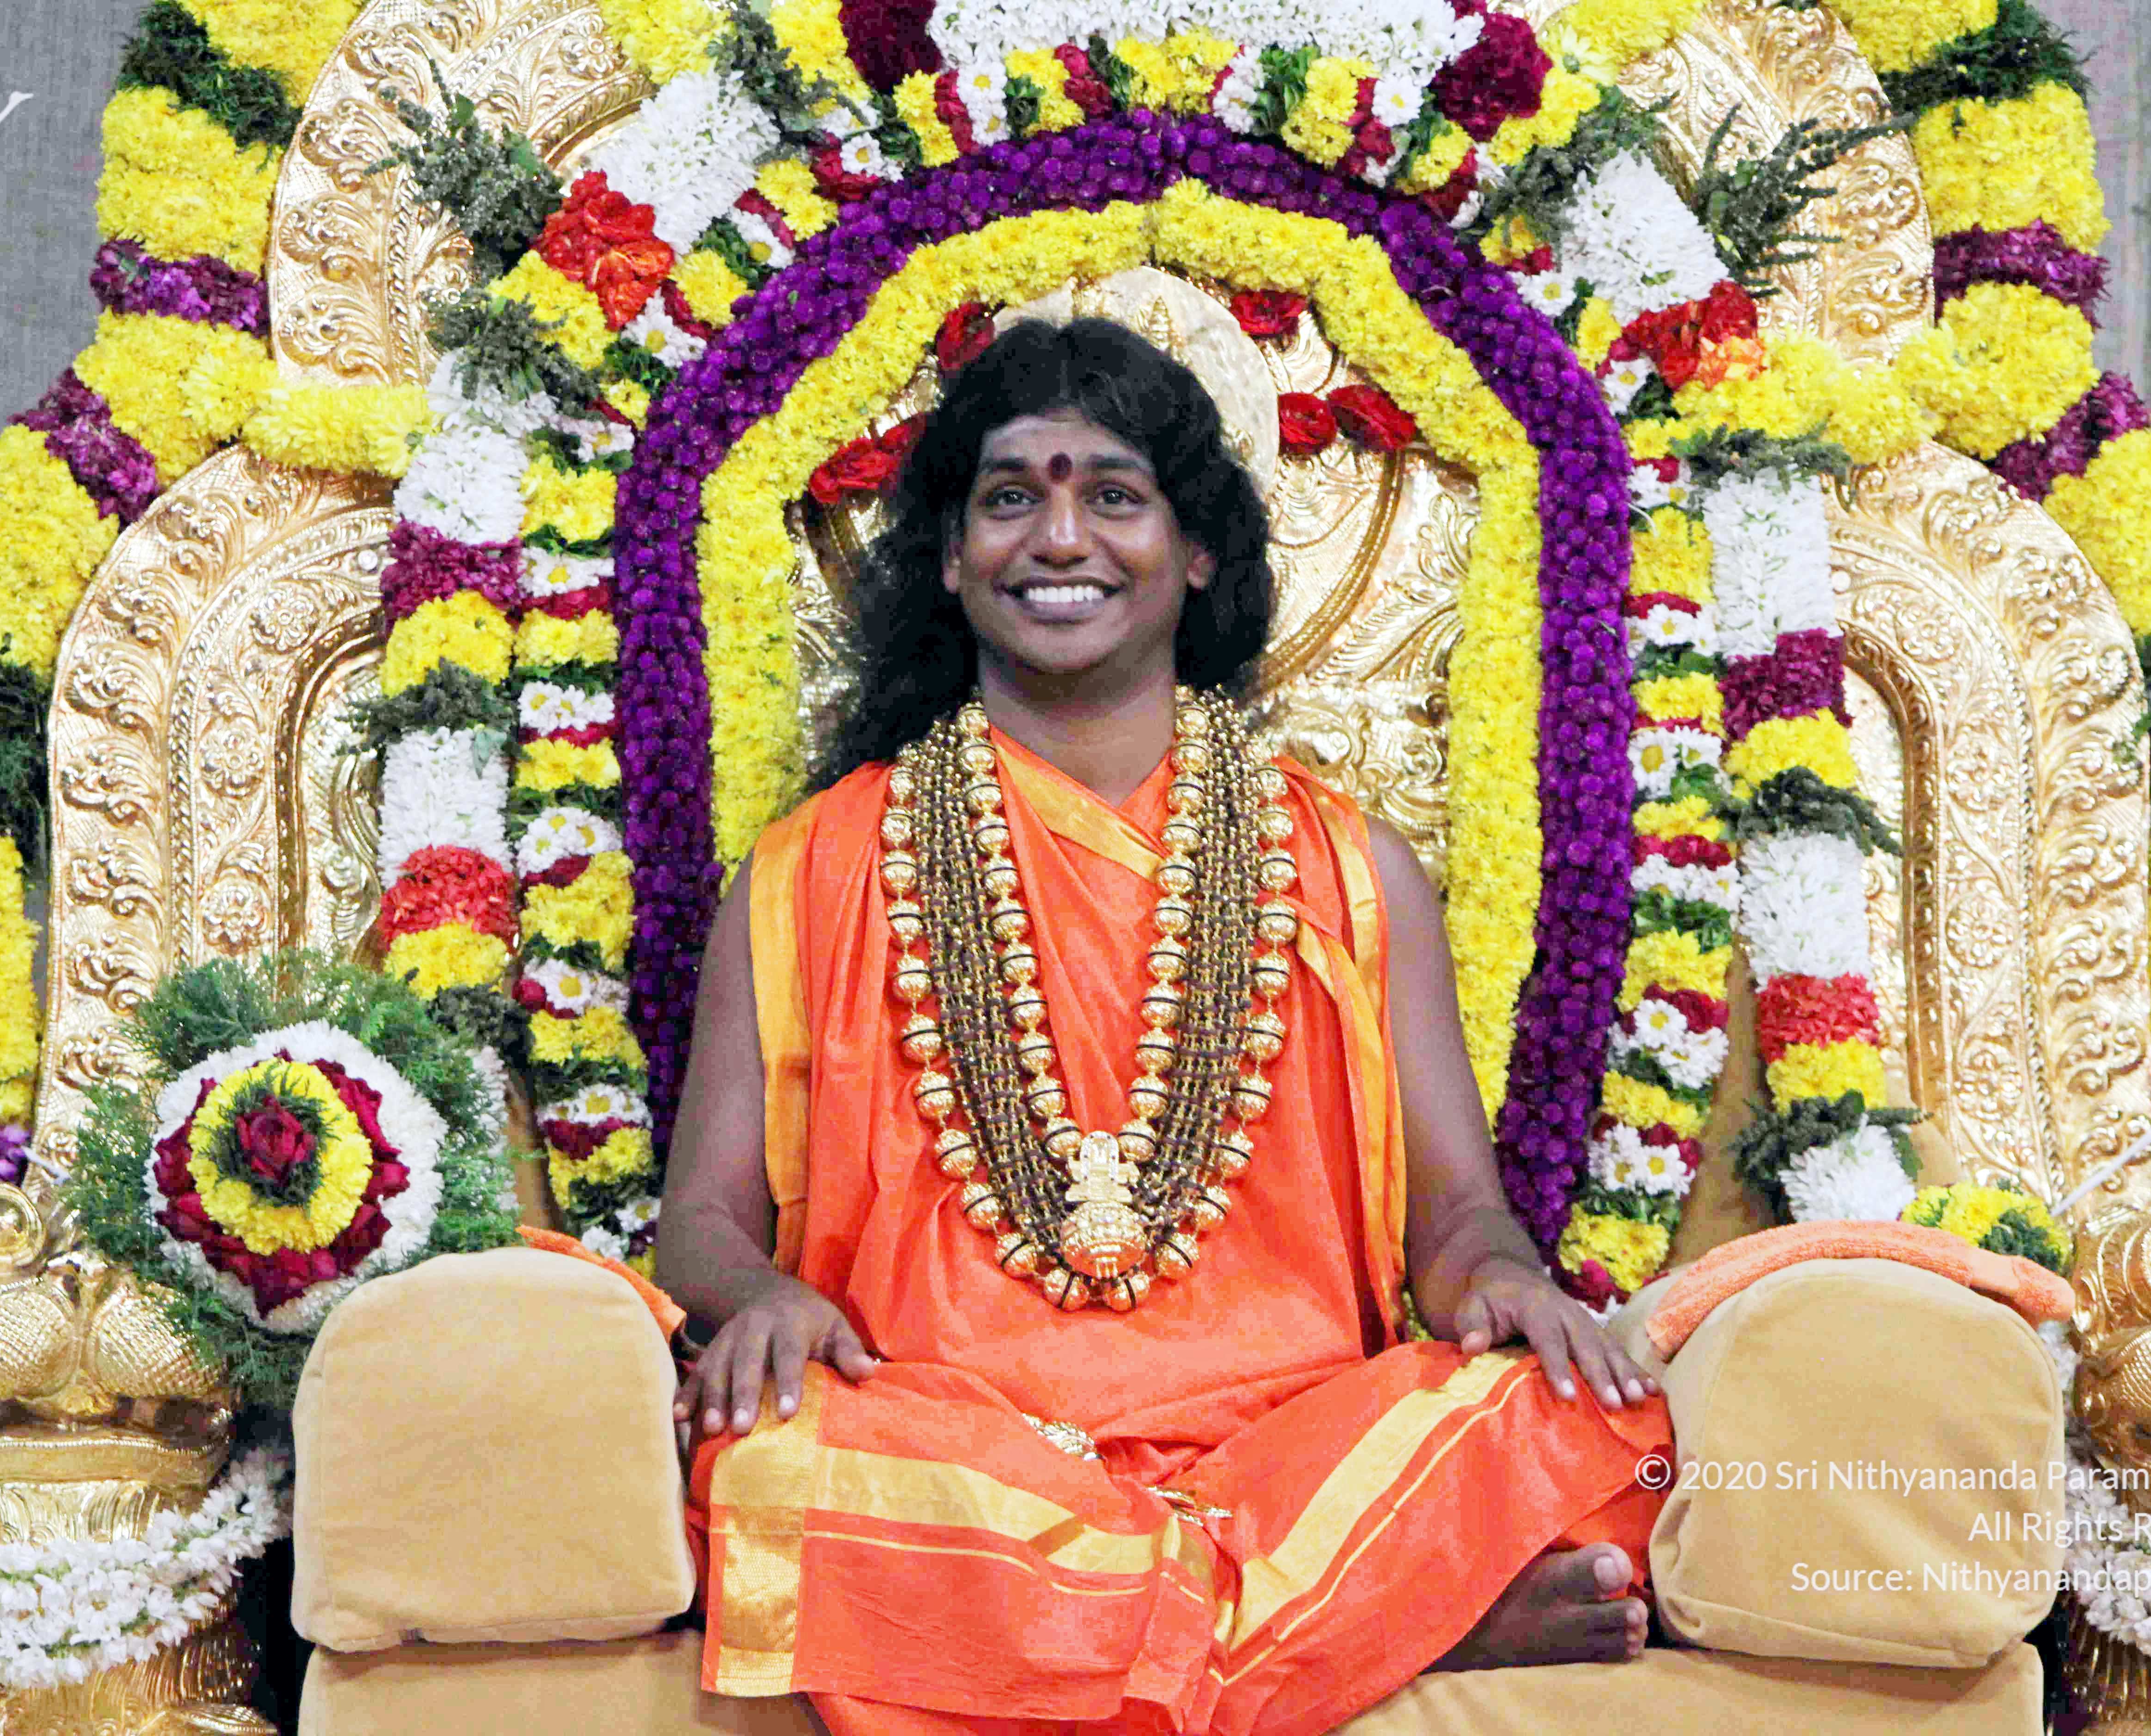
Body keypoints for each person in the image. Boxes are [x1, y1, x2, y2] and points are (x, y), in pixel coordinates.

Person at [658, 317, 1672, 1736]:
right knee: (768, 1460)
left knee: (1598, 1413)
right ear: (950, 556)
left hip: (1297, 1444)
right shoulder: (813, 866)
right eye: (1009, 497)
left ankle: (1117, 1631)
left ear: (1197, 552)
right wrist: (758, 1300)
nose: (1059, 537)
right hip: (950, 1444)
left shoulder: (1347, 868)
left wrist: (1505, 1283)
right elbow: (703, 1221)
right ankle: (1386, 1620)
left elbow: (1456, 1215)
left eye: (1114, 495)